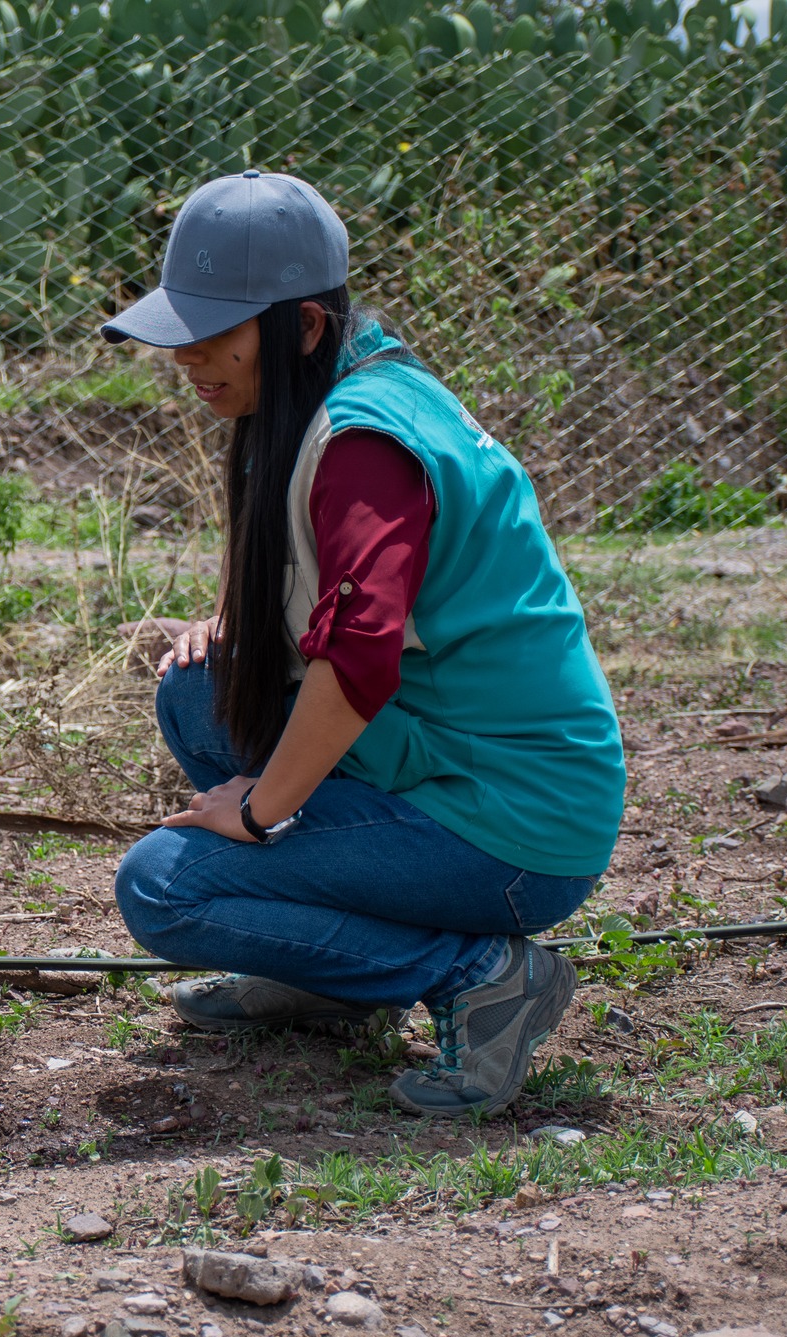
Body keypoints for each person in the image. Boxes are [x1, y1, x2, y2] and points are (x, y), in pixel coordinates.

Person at [101, 170, 625, 1118]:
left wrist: (259, 813)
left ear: (301, 327)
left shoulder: (365, 441)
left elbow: (361, 656)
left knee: (164, 892)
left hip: (513, 825)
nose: (188, 356)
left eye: (214, 332)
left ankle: (481, 972)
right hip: (446, 759)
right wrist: (239, 619)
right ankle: (334, 979)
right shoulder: (324, 394)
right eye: (182, 329)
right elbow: (309, 567)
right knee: (197, 690)